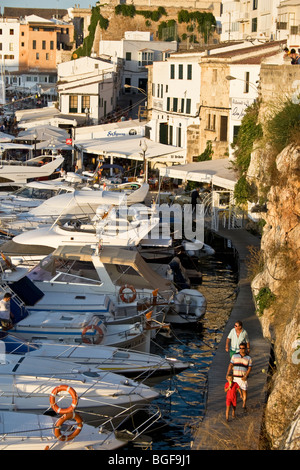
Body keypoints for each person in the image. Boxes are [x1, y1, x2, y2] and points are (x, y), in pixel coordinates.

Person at [226, 342, 252, 410]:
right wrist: (228, 373)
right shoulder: (234, 356)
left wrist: (246, 375)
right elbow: (231, 365)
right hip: (235, 377)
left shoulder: (249, 358)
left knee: (244, 390)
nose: (241, 349)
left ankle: (244, 403)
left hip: (243, 377)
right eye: (240, 348)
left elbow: (249, 368)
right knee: (235, 391)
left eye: (243, 348)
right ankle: (234, 404)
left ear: (245, 348)